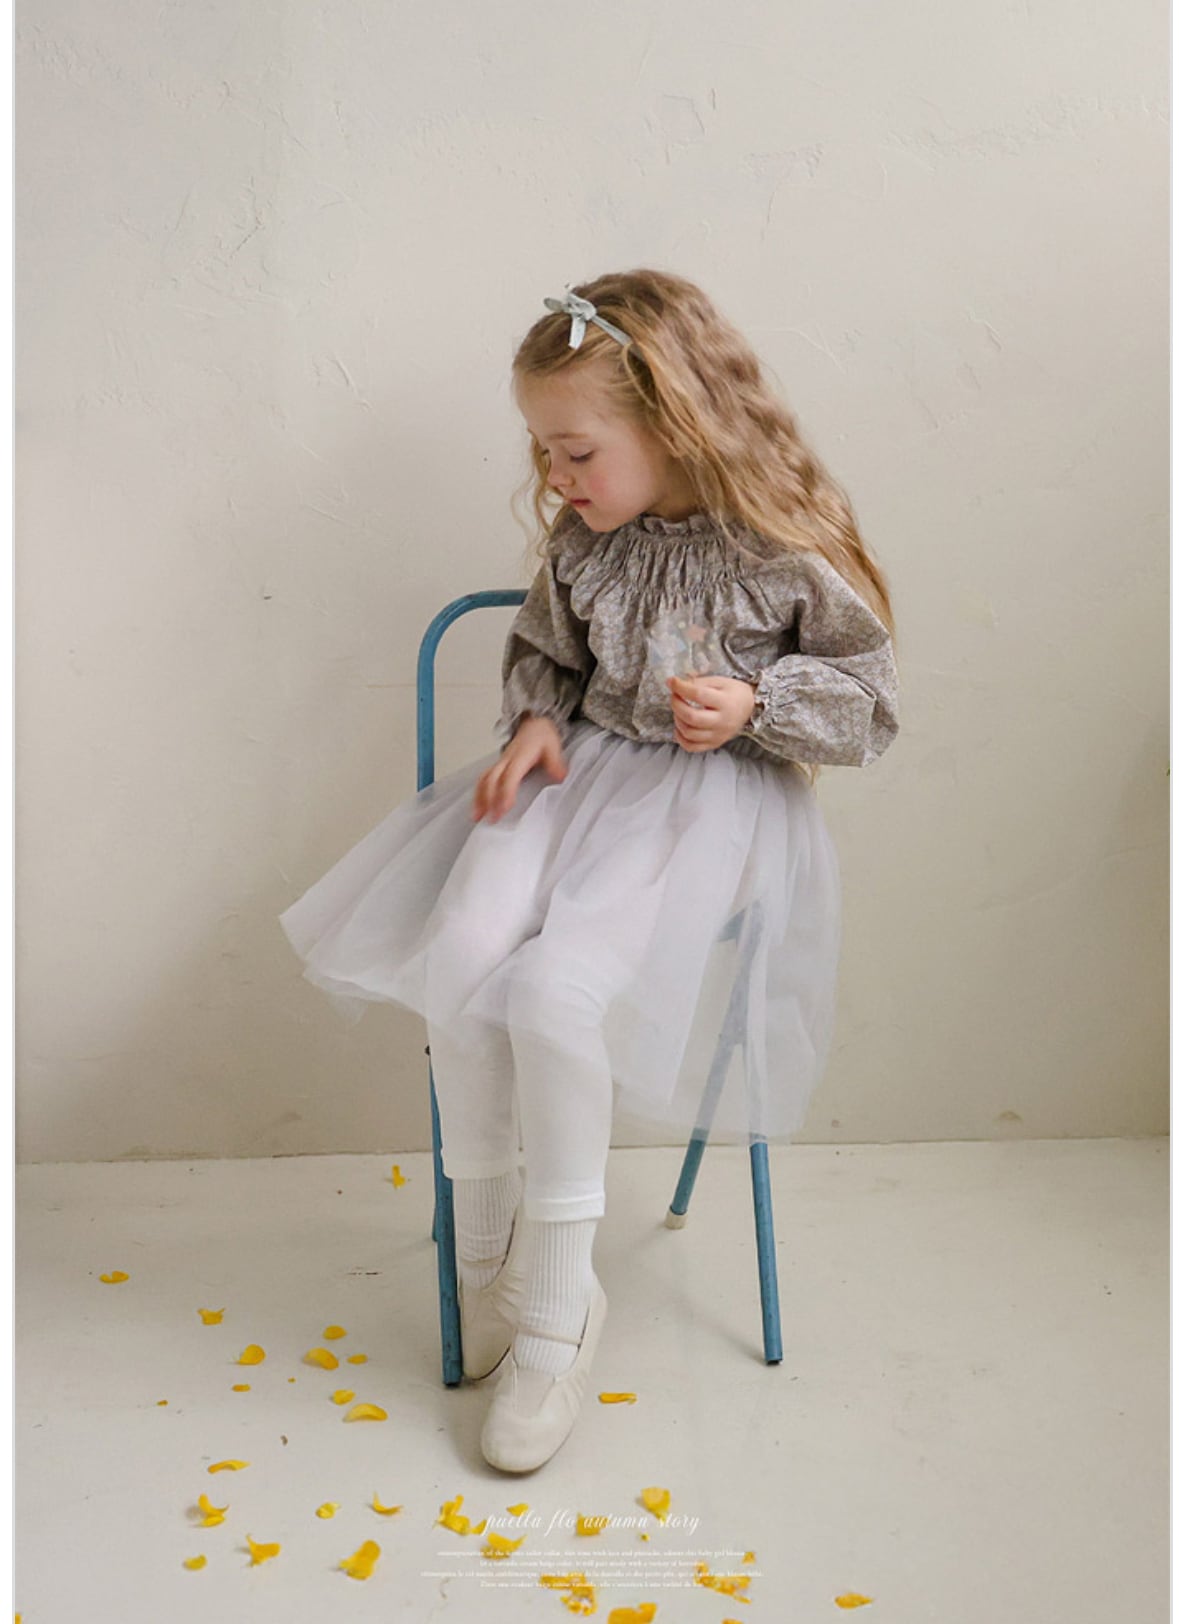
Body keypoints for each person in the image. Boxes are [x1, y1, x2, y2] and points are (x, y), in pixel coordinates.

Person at [278, 269, 900, 1474]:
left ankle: (559, 1309)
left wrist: (758, 703)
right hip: (578, 776)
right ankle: (486, 1252)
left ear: (678, 426)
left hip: (707, 804)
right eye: (544, 452)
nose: (555, 478)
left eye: (576, 452)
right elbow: (547, 653)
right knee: (464, 952)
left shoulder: (777, 551)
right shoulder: (585, 544)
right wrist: (533, 719)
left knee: (554, 991)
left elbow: (869, 699)